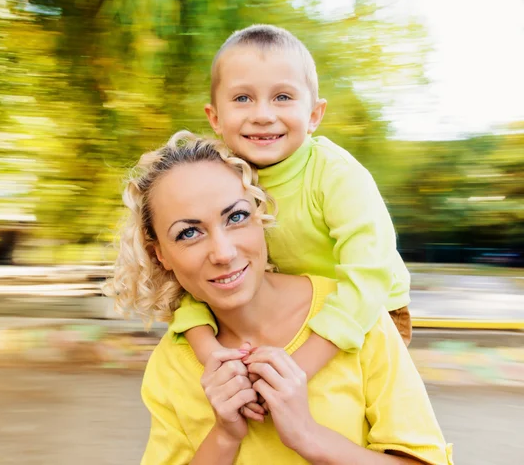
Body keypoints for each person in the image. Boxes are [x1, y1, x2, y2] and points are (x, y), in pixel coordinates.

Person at [109, 132, 453, 464]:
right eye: (188, 233)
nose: (223, 252)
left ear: (261, 215)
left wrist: (309, 438)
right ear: (161, 256)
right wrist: (225, 436)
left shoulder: (358, 317)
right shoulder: (171, 366)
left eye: (237, 217)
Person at [172, 26, 413, 403]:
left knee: (335, 408)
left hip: (370, 309)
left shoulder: (335, 174)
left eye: (282, 97)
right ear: (215, 117)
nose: (263, 115)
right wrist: (209, 351)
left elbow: (370, 274)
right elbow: (199, 276)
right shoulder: (222, 178)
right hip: (286, 311)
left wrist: (301, 364)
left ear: (314, 114)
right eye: (242, 98)